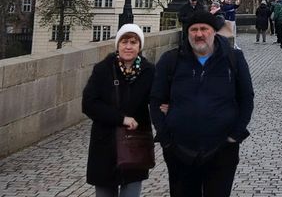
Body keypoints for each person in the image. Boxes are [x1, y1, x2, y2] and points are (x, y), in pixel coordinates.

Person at [150, 11, 254, 197]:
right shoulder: (171, 60)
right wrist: (166, 139)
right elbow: (156, 100)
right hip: (180, 149)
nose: (199, 34)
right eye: (194, 30)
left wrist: (235, 134)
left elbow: (246, 98)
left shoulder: (234, 59)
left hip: (222, 148)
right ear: (187, 33)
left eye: (204, 29)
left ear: (214, 32)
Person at [82, 24, 154, 197]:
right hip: (105, 142)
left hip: (135, 142)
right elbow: (89, 104)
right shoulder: (103, 69)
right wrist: (121, 118)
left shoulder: (149, 71)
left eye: (133, 42)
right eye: (124, 42)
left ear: (140, 46)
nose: (128, 47)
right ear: (117, 45)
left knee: (131, 192)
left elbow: (157, 98)